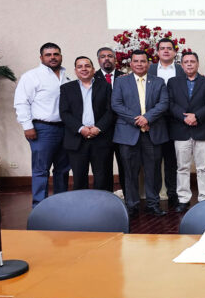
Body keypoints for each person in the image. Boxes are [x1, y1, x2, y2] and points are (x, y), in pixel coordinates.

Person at [111, 49, 169, 217]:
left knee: (153, 171)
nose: (139, 64)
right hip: (128, 134)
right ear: (131, 64)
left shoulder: (158, 82)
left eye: (142, 61)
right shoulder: (121, 82)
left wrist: (147, 118)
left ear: (148, 63)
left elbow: (163, 103)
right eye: (135, 61)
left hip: (152, 133)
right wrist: (138, 120)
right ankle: (132, 205)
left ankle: (153, 204)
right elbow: (116, 104)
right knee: (129, 172)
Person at [13, 42, 71, 207]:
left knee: (63, 169)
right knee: (41, 170)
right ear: (41, 58)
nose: (53, 57)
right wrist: (27, 126)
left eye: (56, 54)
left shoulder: (67, 76)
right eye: (48, 55)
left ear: (61, 56)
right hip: (43, 129)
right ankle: (39, 206)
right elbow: (21, 102)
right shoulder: (31, 76)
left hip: (65, 129)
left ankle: (61, 204)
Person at [166, 50, 205, 213]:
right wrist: (185, 118)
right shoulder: (173, 82)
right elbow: (170, 103)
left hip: (201, 129)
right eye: (186, 62)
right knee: (182, 167)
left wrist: (197, 116)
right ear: (181, 65)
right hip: (181, 130)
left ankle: (204, 198)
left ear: (197, 63)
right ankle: (183, 199)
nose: (189, 64)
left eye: (192, 61)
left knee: (203, 167)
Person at [59, 56, 114, 190]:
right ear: (75, 71)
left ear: (93, 69)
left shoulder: (105, 87)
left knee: (102, 177)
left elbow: (111, 111)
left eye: (87, 66)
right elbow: (64, 113)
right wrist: (81, 128)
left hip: (100, 139)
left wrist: (98, 128)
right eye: (80, 66)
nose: (84, 69)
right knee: (79, 178)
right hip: (77, 139)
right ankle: (82, 209)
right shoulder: (66, 88)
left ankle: (102, 209)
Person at [149, 37, 184, 207]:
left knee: (172, 161)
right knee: (154, 160)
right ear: (157, 52)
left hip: (176, 121)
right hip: (155, 122)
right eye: (162, 48)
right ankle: (153, 198)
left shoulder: (182, 69)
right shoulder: (149, 69)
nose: (165, 51)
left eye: (169, 48)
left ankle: (173, 194)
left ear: (175, 52)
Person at [94, 46, 125, 192]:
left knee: (125, 166)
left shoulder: (125, 77)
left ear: (115, 59)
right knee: (103, 168)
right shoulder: (91, 78)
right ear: (98, 60)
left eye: (110, 56)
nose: (106, 59)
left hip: (123, 128)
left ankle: (128, 199)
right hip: (102, 130)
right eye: (102, 56)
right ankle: (105, 198)